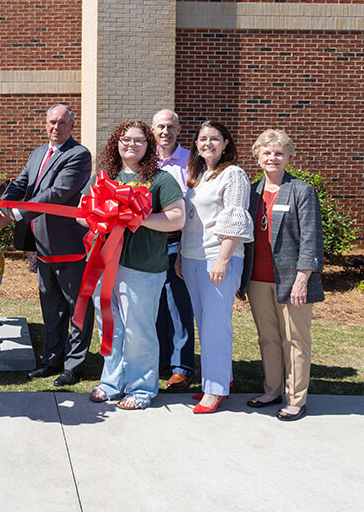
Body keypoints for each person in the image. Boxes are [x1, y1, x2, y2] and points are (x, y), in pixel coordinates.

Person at [82, 120, 185, 409]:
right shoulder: (103, 178)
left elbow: (177, 217)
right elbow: (81, 213)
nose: (132, 144)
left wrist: (137, 218)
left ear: (149, 146)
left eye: (139, 140)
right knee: (109, 326)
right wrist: (105, 217)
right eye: (126, 139)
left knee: (138, 329)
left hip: (143, 266)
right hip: (103, 264)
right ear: (116, 143)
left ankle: (141, 389)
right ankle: (111, 383)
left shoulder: (160, 180)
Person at [0, 103, 94, 387]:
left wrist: (16, 214)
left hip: (69, 245)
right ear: (45, 124)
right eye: (51, 122)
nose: (56, 128)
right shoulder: (38, 153)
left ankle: (74, 366)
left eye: (62, 123)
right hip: (41, 245)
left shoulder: (79, 155)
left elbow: (56, 193)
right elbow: (21, 183)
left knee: (77, 307)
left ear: (72, 126)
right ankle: (51, 360)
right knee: (51, 307)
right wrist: (3, 204)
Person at [238, 129, 324, 421]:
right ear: (258, 158)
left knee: (295, 339)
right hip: (258, 278)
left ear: (288, 157)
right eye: (266, 153)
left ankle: (296, 399)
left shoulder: (302, 190)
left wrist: (303, 278)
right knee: (268, 339)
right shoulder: (251, 192)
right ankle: (272, 390)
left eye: (278, 153)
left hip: (291, 279)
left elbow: (311, 239)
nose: (272, 157)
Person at [178, 120, 253, 414]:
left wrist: (222, 259)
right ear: (196, 145)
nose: (207, 143)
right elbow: (191, 222)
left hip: (219, 258)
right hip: (193, 258)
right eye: (202, 139)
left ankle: (214, 390)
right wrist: (182, 255)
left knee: (215, 325)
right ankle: (219, 379)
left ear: (225, 144)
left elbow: (236, 217)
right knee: (205, 325)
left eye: (214, 139)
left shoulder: (233, 174)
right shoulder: (199, 176)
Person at [152, 109, 196, 390]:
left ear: (179, 130)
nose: (165, 132)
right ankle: (161, 358)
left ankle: (182, 366)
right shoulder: (147, 160)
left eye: (170, 127)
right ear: (152, 130)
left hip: (179, 242)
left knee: (178, 305)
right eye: (160, 127)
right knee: (154, 304)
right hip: (149, 243)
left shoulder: (192, 161)